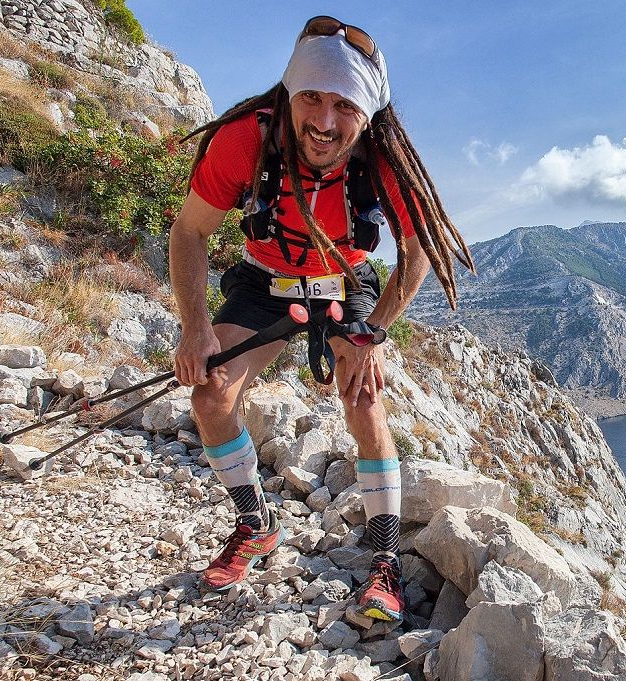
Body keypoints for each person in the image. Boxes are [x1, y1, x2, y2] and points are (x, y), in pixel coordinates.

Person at [168, 15, 471, 623]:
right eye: (311, 97)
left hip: (344, 280)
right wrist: (196, 327)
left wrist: (371, 337)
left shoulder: (384, 160)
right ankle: (256, 525)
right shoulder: (244, 140)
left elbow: (415, 256)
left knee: (364, 402)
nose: (324, 121)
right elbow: (190, 231)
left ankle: (385, 559)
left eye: (344, 106)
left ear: (367, 113)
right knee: (210, 396)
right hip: (265, 279)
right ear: (288, 92)